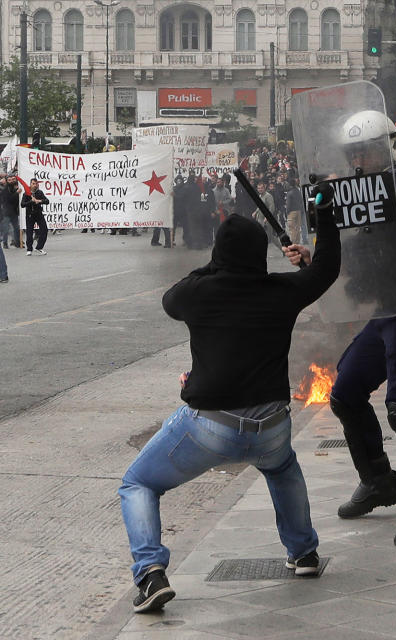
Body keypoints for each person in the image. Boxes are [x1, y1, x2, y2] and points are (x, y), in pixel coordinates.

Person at [118, 211, 341, 613]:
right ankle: (304, 553)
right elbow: (325, 270)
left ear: (219, 254)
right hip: (272, 425)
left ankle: (150, 572)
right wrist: (324, 219)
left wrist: (214, 264)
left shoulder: (199, 294)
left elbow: (173, 294)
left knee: (137, 484)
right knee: (281, 468)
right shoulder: (283, 290)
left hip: (211, 426)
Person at [285, 110, 396, 546]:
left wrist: (327, 192)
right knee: (345, 391)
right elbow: (357, 256)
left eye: (365, 151)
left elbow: (382, 194)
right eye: (353, 154)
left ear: (387, 147)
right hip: (388, 311)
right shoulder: (364, 195)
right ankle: (379, 480)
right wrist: (312, 258)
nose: (359, 160)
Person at [21, 178, 49, 256]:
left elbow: (47, 201)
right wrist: (31, 201)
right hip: (30, 215)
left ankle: (39, 247)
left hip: (39, 214)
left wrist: (39, 201)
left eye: (36, 184)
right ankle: (29, 249)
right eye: (33, 183)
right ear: (30, 184)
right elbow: (22, 204)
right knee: (29, 232)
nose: (35, 185)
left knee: (44, 230)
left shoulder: (40, 193)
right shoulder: (26, 194)